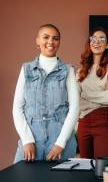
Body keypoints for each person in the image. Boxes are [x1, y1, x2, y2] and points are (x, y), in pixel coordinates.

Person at [13, 24, 79, 163]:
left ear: (59, 42)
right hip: (31, 138)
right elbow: (17, 107)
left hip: (61, 139)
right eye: (46, 37)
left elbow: (74, 108)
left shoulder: (68, 70)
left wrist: (61, 143)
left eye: (55, 38)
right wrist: (26, 140)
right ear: (37, 41)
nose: (51, 42)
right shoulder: (26, 69)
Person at [77, 27, 108, 158]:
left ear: (107, 45)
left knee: (102, 166)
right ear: (89, 43)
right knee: (85, 167)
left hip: (103, 120)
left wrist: (84, 95)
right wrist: (102, 92)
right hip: (83, 122)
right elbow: (76, 100)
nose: (97, 42)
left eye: (102, 39)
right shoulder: (81, 71)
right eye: (93, 38)